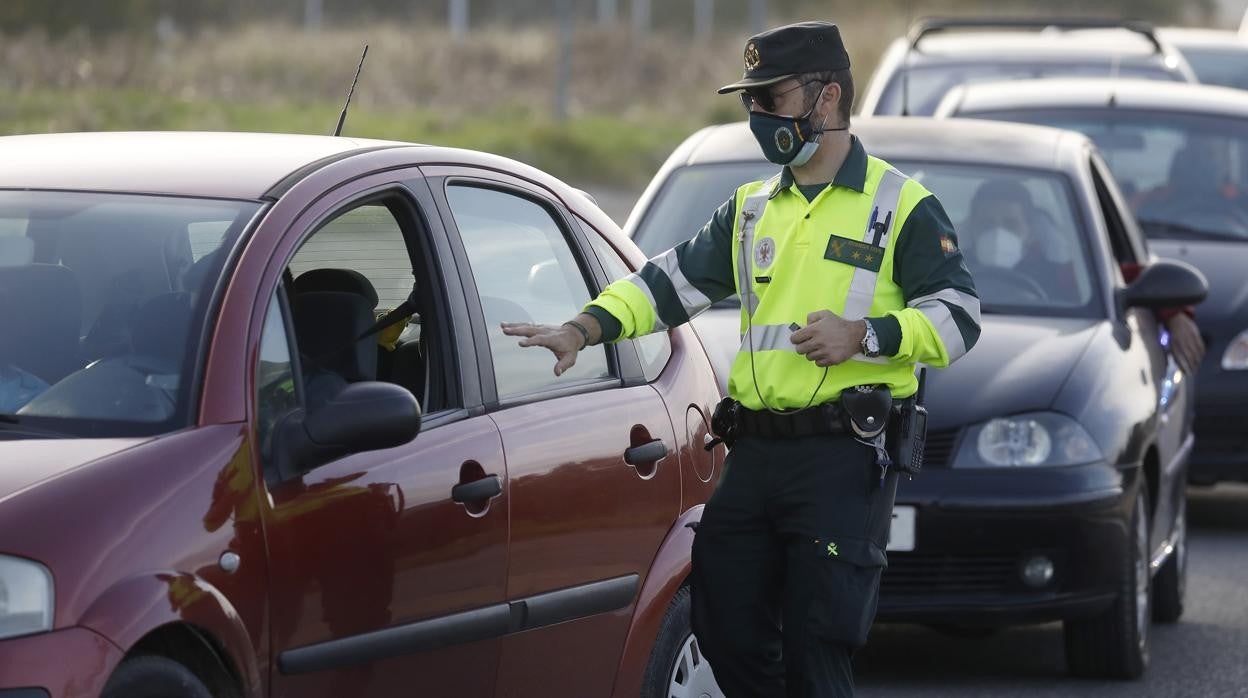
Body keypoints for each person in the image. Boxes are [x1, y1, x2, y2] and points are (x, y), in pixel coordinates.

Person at [503, 21, 980, 697]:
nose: (757, 116)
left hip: (842, 460)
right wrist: (585, 327)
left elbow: (961, 316)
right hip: (755, 456)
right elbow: (665, 283)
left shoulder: (900, 206)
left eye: (771, 97)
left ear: (826, 97)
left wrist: (866, 335)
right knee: (722, 624)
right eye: (749, 101)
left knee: (820, 644)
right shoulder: (753, 209)